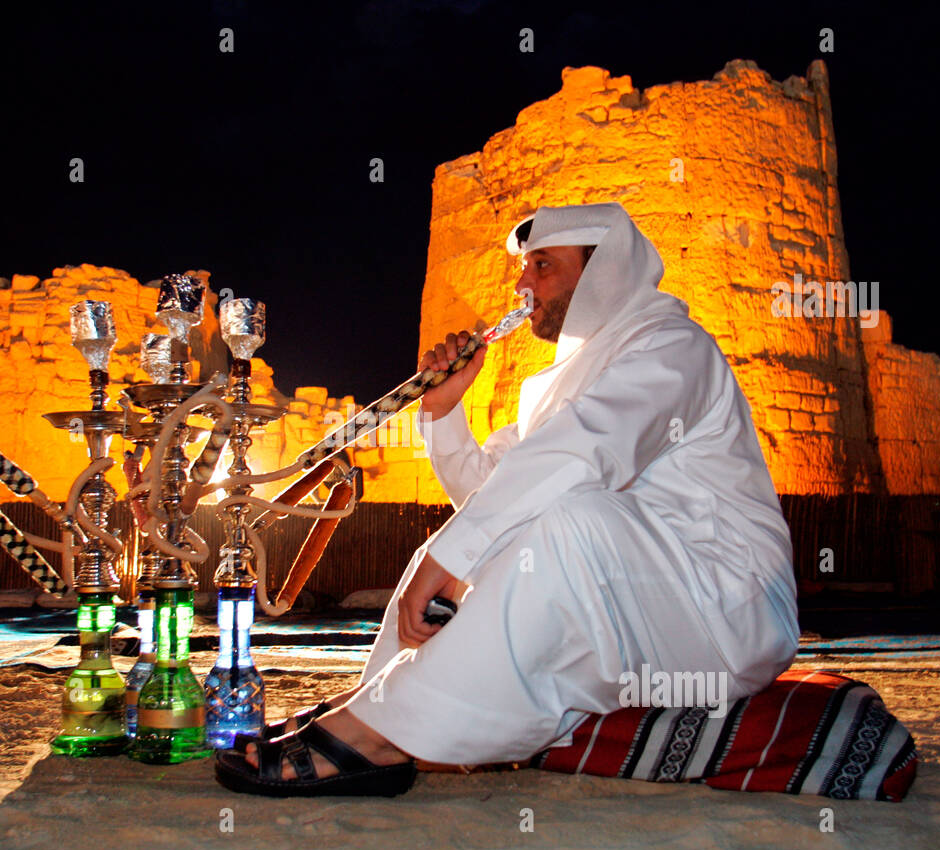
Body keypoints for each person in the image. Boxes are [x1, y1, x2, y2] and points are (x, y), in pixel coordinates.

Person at [215, 202, 801, 797]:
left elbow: (581, 456)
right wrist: (444, 411)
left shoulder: (672, 346)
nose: (522, 284)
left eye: (542, 266)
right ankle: (383, 707)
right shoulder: (564, 378)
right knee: (464, 539)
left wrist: (458, 555)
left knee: (570, 519)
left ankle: (377, 732)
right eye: (525, 268)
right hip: (642, 607)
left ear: (603, 271)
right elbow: (493, 498)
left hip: (724, 614)